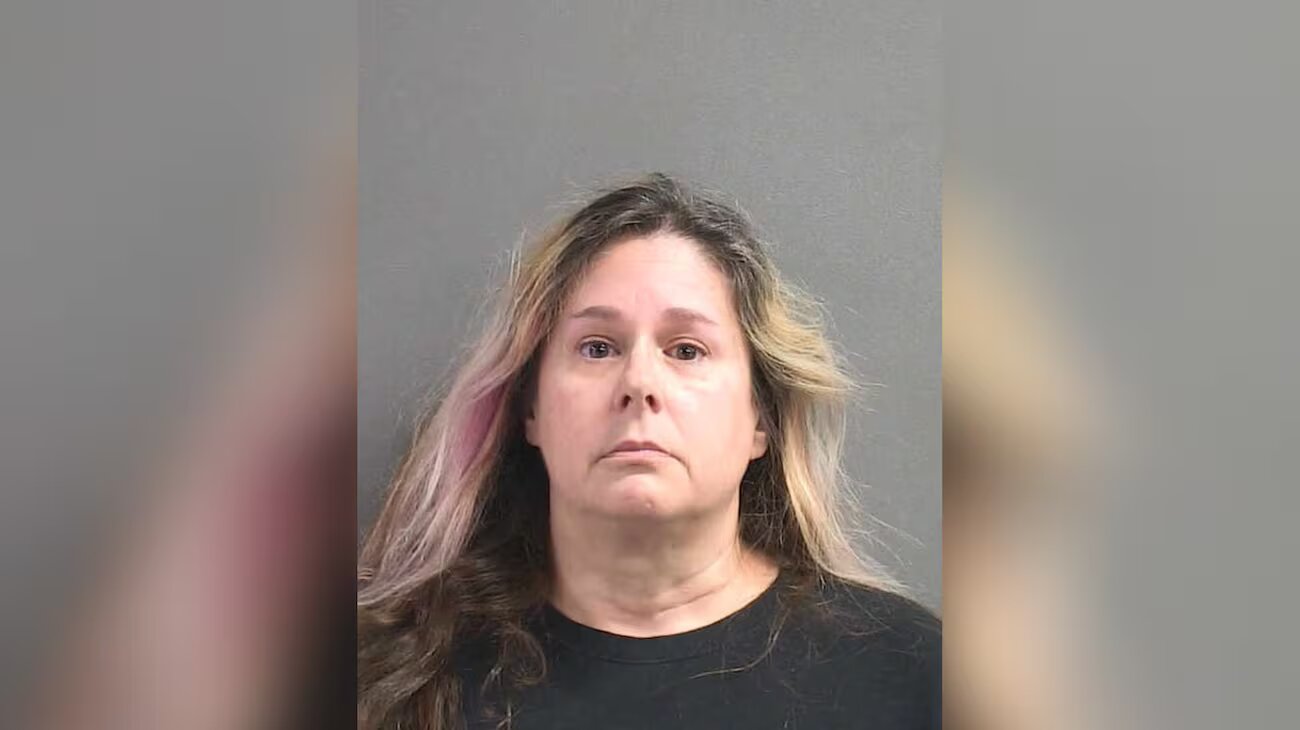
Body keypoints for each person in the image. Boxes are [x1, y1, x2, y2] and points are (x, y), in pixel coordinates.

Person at [357, 173, 940, 730]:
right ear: (530, 410)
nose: (639, 382)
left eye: (686, 350)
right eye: (597, 347)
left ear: (761, 420)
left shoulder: (911, 675)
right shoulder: (389, 675)